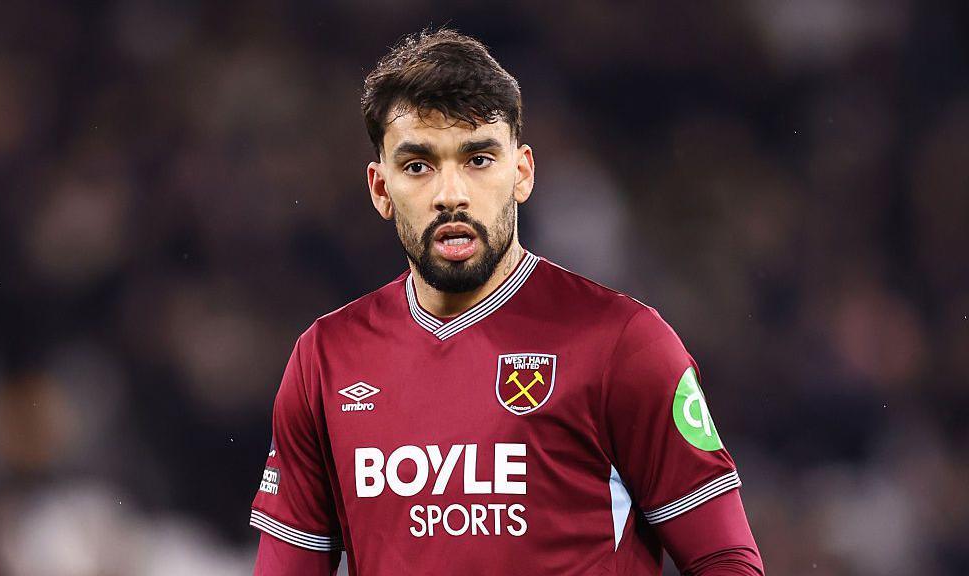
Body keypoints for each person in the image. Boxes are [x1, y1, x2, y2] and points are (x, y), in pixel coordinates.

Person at [250, 29, 764, 576]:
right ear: (380, 188)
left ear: (521, 172)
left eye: (477, 159)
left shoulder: (624, 343)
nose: (451, 194)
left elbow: (726, 560)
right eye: (419, 165)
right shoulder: (325, 360)